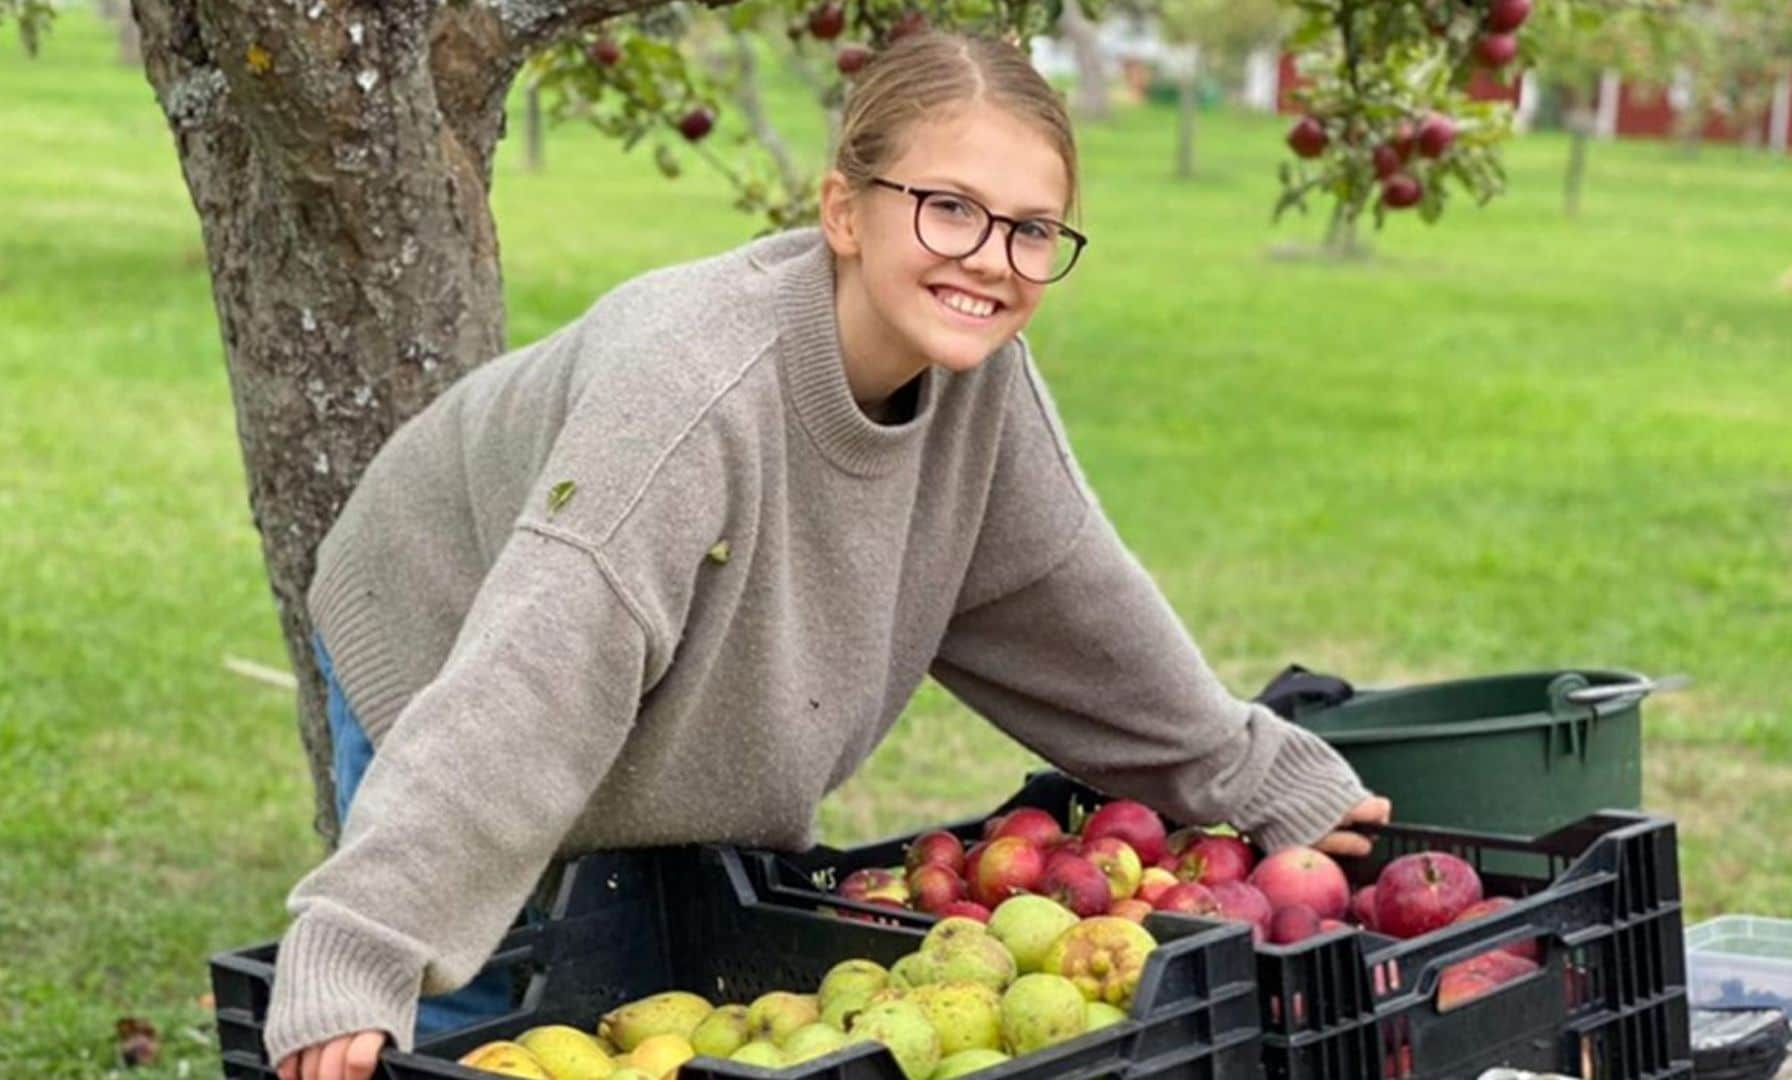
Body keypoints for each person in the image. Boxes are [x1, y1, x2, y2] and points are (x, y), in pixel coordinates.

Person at [267, 29, 1391, 1080]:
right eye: (948, 208)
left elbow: (1067, 604)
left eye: (1031, 229)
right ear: (843, 212)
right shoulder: (689, 394)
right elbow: (534, 679)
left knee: (665, 1001)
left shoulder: (978, 383)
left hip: (628, 682)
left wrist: (1253, 773)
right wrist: (363, 946)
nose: (991, 259)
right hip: (459, 623)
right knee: (481, 1020)